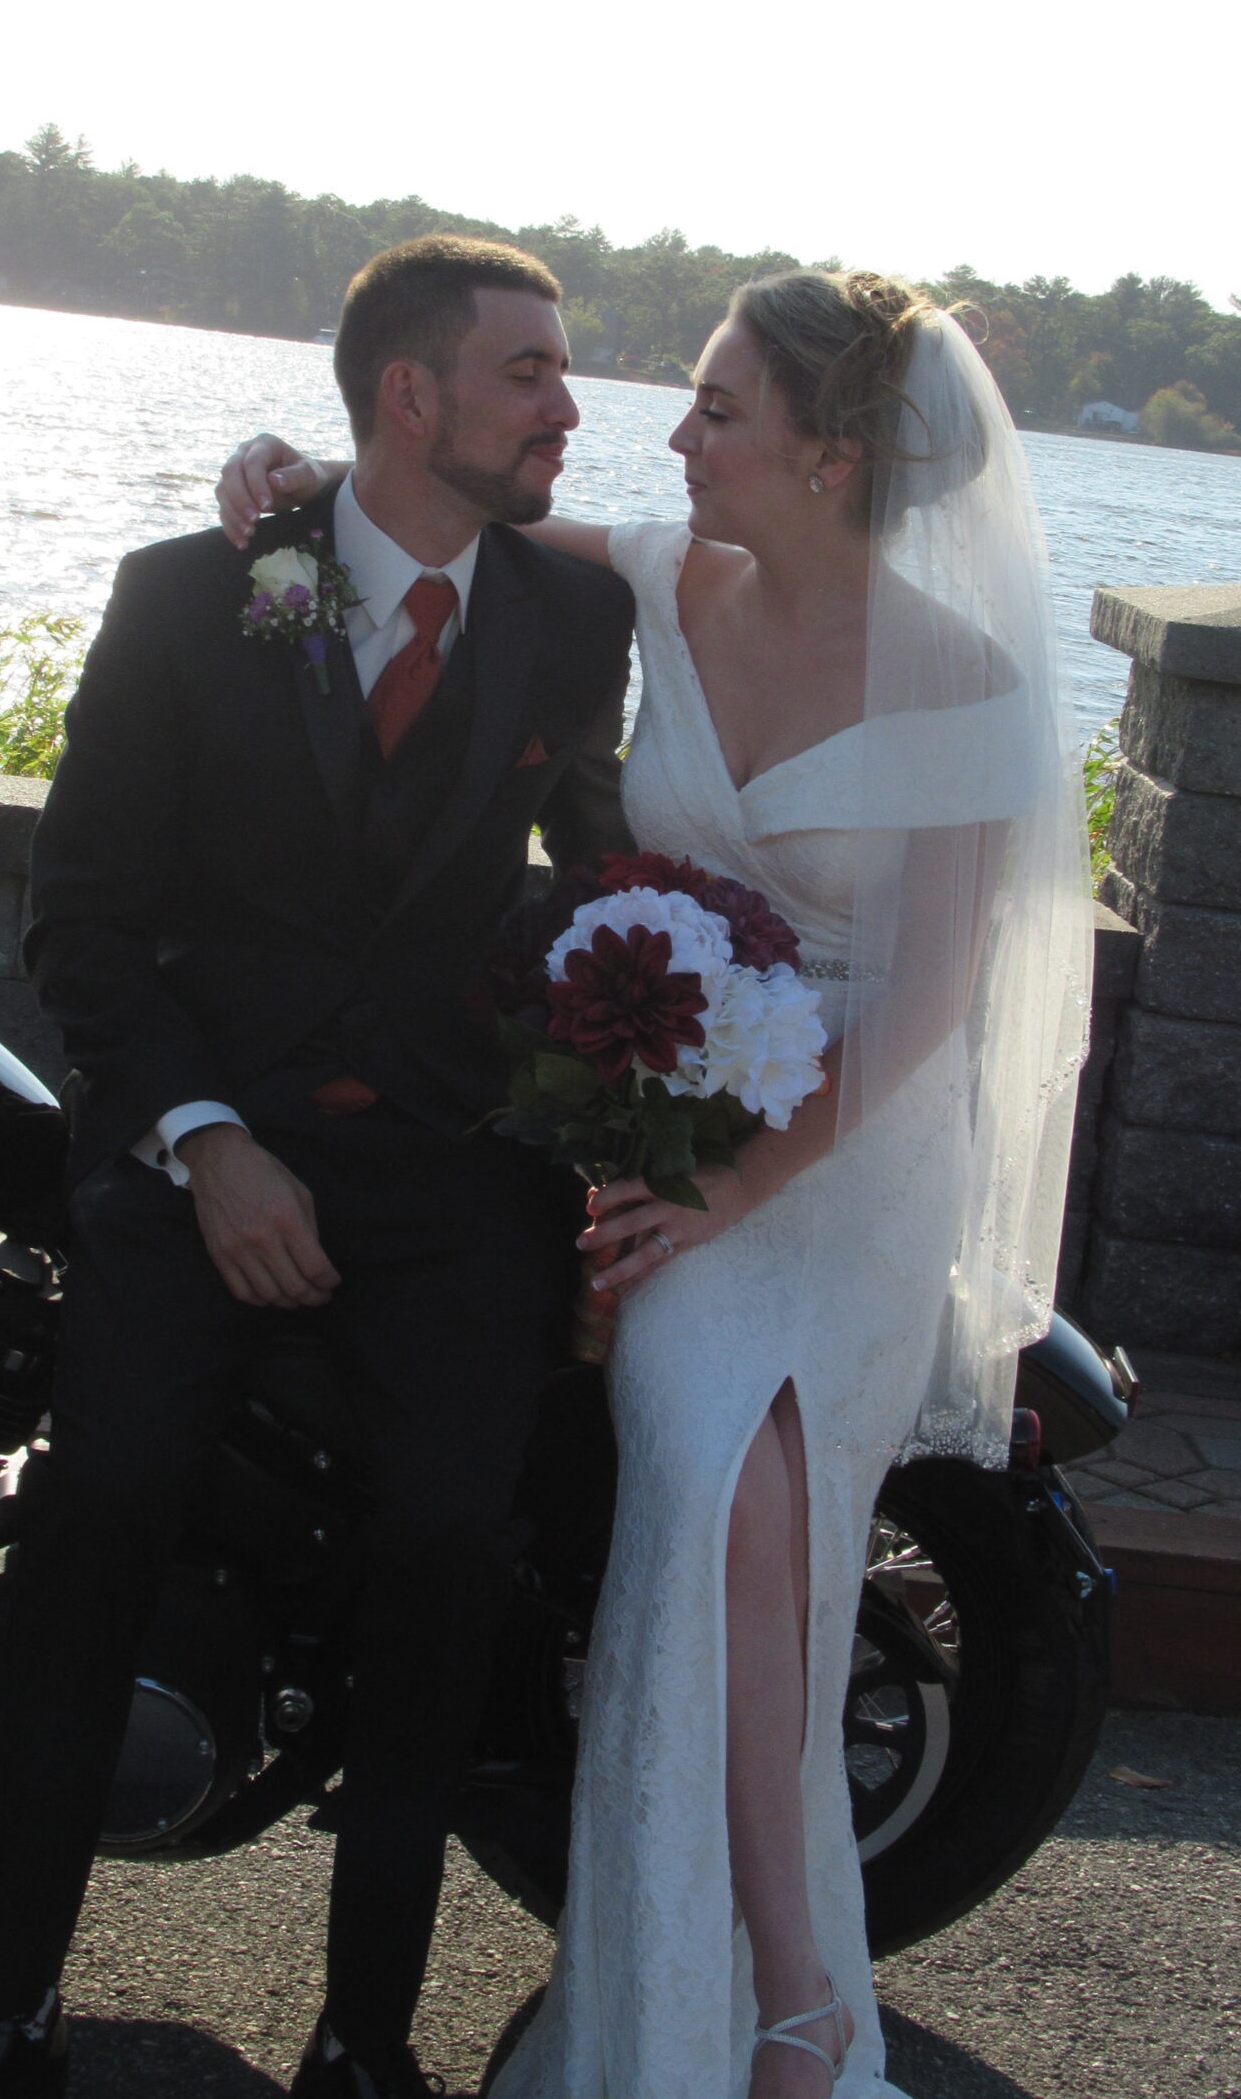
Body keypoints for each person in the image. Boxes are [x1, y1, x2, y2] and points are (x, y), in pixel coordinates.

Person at [218, 271, 1091, 2098]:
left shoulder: (969, 680)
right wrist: (279, 473)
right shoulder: (668, 579)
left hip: (844, 1157)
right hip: (669, 1119)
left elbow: (928, 1009)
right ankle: (775, 1992)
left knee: (747, 1479)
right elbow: (430, 509)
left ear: (830, 454)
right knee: (724, 1482)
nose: (670, 438)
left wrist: (723, 1199)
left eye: (717, 412)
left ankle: (788, 1989)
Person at [0, 236, 635, 2099]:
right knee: (102, 1514)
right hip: (198, 1158)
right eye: (529, 371)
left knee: (454, 1547)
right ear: (409, 397)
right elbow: (87, 926)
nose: (566, 405)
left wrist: (666, 1063)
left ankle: (366, 2045)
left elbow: (604, 873)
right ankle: (14, 2013)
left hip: (450, 1180)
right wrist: (205, 1146)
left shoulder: (571, 620)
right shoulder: (185, 598)